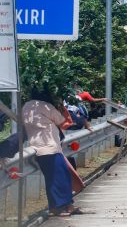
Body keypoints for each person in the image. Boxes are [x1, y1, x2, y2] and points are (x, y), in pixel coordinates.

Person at [22, 88, 82, 216]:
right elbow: (63, 122)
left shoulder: (26, 106)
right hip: (51, 147)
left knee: (52, 179)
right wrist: (62, 108)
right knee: (62, 179)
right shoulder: (46, 106)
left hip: (37, 148)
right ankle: (63, 207)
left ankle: (55, 208)